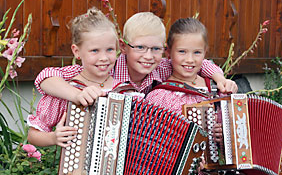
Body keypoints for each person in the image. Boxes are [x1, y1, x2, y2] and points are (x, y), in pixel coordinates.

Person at [27, 8, 142, 175]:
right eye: (94, 50)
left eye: (110, 50)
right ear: (76, 51)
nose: (104, 58)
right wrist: (53, 137)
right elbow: (32, 135)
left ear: (118, 49)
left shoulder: (129, 93)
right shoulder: (67, 90)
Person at [145, 18, 241, 175]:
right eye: (182, 52)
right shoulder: (161, 96)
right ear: (169, 52)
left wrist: (226, 134)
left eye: (197, 53)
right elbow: (154, 146)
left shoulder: (218, 89)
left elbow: (239, 136)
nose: (190, 59)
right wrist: (183, 159)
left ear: (205, 52)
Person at [33, 12, 237, 107]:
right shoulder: (106, 68)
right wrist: (76, 95)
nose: (148, 57)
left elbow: (201, 64)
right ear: (123, 46)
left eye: (155, 49)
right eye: (140, 48)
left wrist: (219, 79)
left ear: (164, 51)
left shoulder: (161, 68)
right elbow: (46, 77)